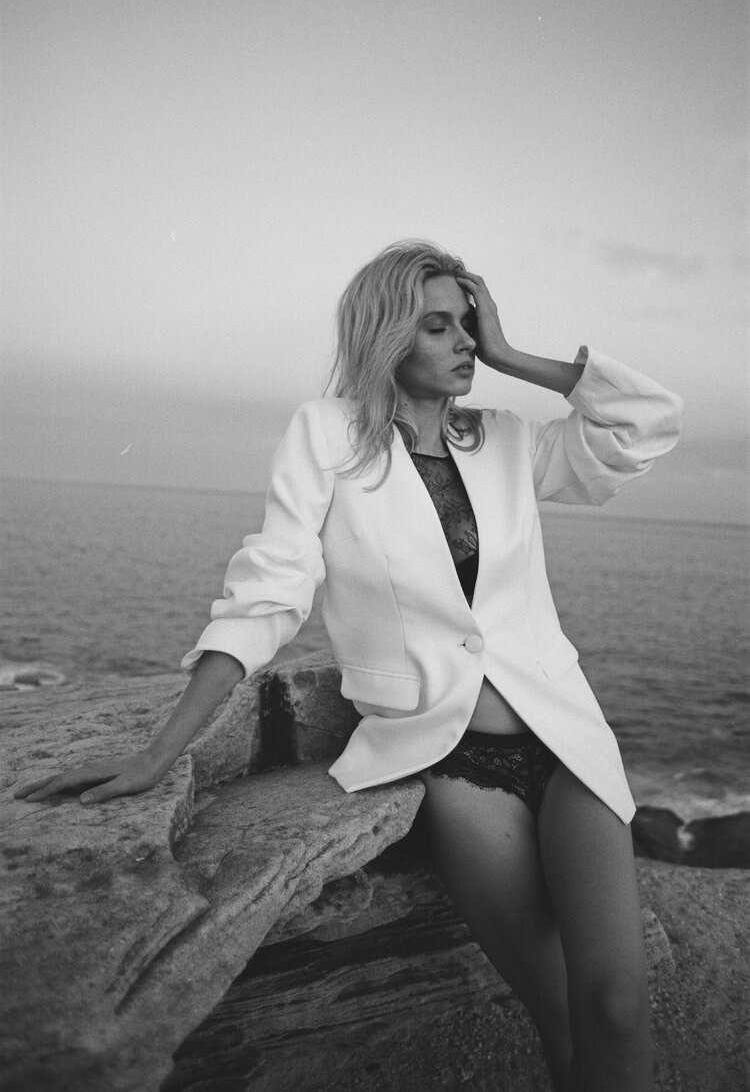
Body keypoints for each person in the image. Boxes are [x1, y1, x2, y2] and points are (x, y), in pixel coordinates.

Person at [16, 240, 683, 1090]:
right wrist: (158, 753)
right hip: (455, 763)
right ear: (387, 336)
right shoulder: (327, 436)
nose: (466, 342)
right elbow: (270, 592)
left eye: (470, 323)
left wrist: (515, 354)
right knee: (556, 1012)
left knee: (617, 1008)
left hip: (564, 737)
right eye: (439, 326)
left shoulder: (507, 440)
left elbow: (646, 422)